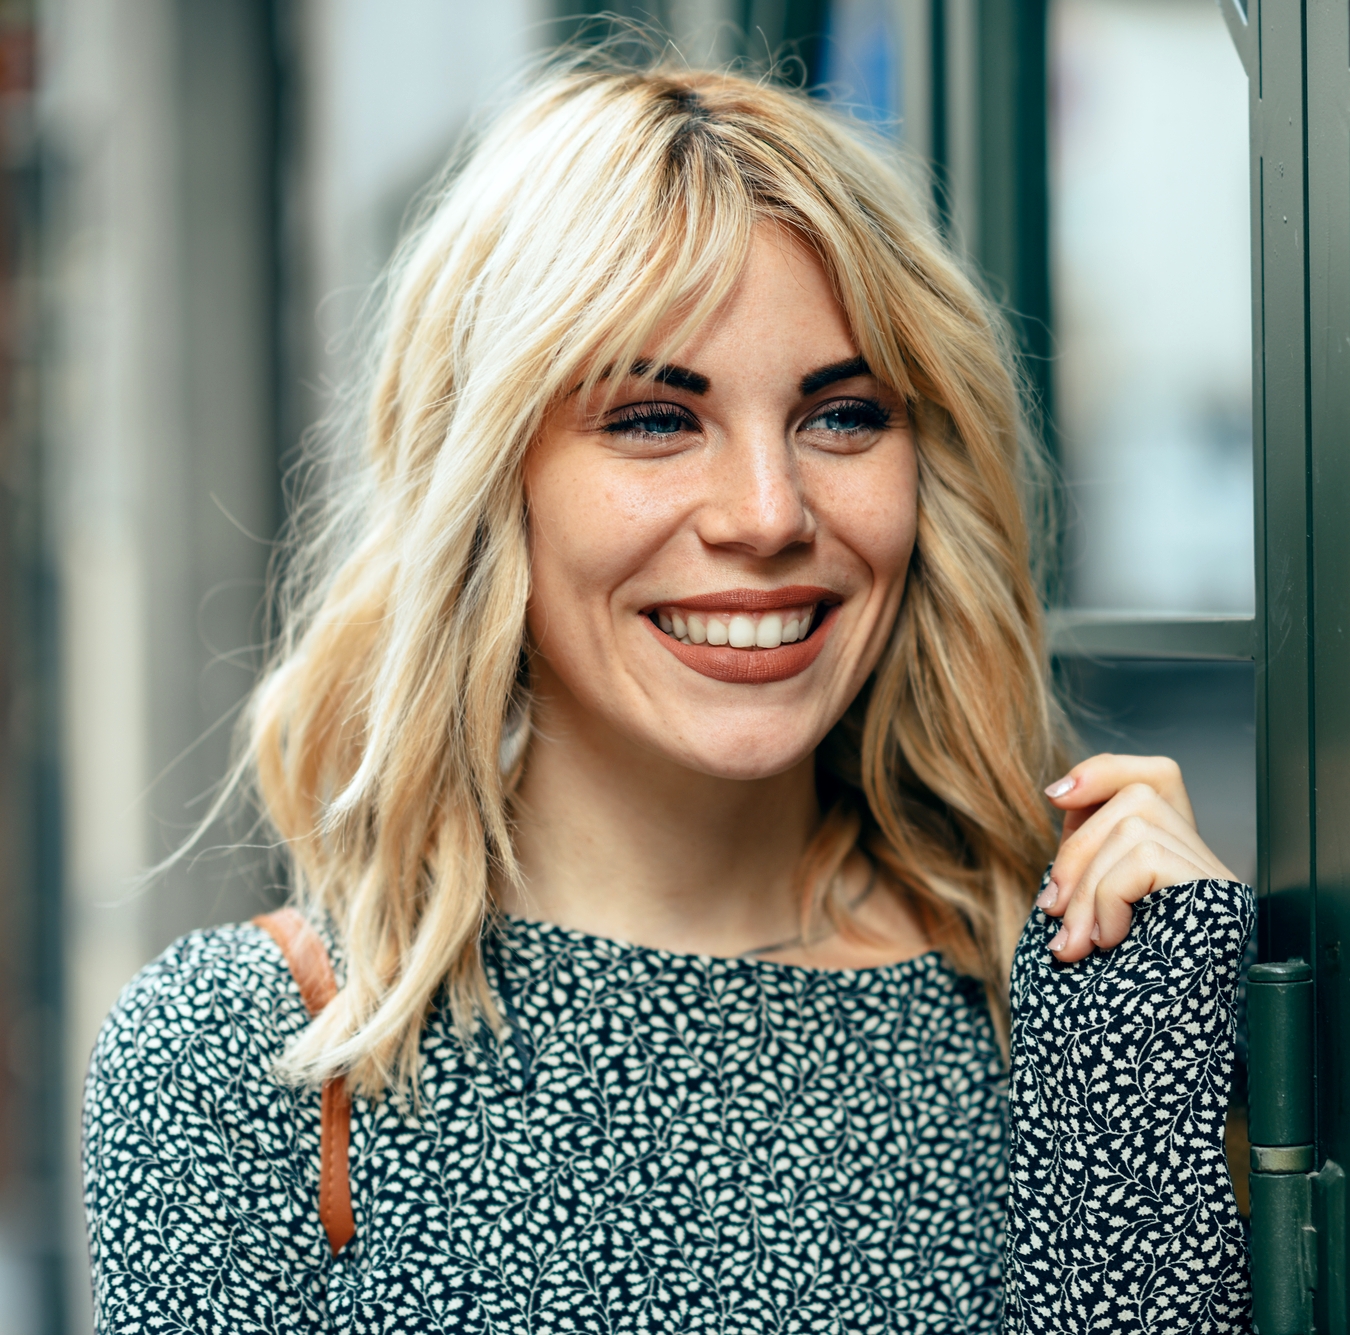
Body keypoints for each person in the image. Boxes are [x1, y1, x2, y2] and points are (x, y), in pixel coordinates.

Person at [82, 60, 1252, 1333]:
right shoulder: (241, 1055)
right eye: (651, 419)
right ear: (488, 482)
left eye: (842, 415)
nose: (767, 515)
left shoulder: (1057, 996)